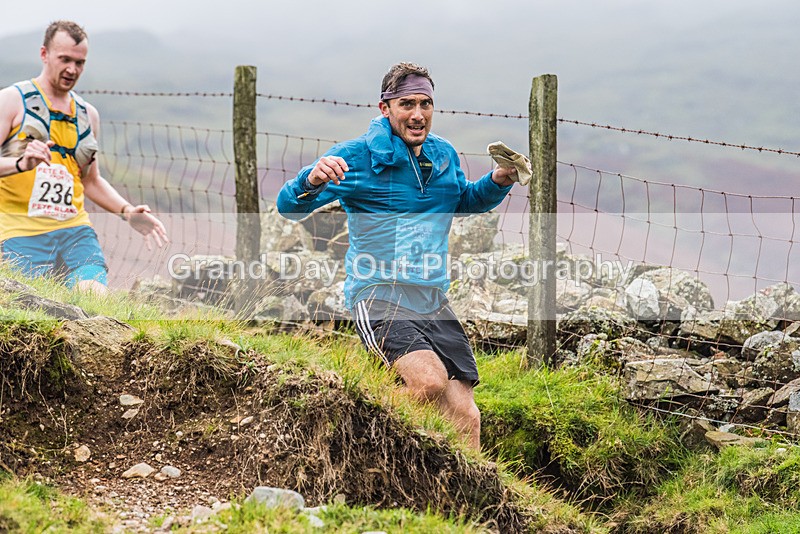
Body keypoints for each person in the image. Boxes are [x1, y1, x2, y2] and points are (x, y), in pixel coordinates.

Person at [277, 62, 518, 449]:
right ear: (384, 107)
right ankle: (337, 429)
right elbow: (288, 208)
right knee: (427, 383)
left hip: (431, 297)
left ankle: (464, 505)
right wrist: (311, 179)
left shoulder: (443, 154)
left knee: (466, 416)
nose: (418, 114)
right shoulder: (354, 158)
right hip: (378, 292)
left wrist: (497, 182)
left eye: (426, 103)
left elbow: (462, 201)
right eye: (407, 103)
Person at [0, 20, 167, 293]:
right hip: (20, 231)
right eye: (64, 59)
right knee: (34, 307)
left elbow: (91, 180)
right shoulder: (11, 100)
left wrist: (127, 211)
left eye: (79, 63)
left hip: (75, 230)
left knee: (92, 294)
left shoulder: (88, 115)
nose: (72, 70)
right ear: (44, 54)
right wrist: (21, 163)